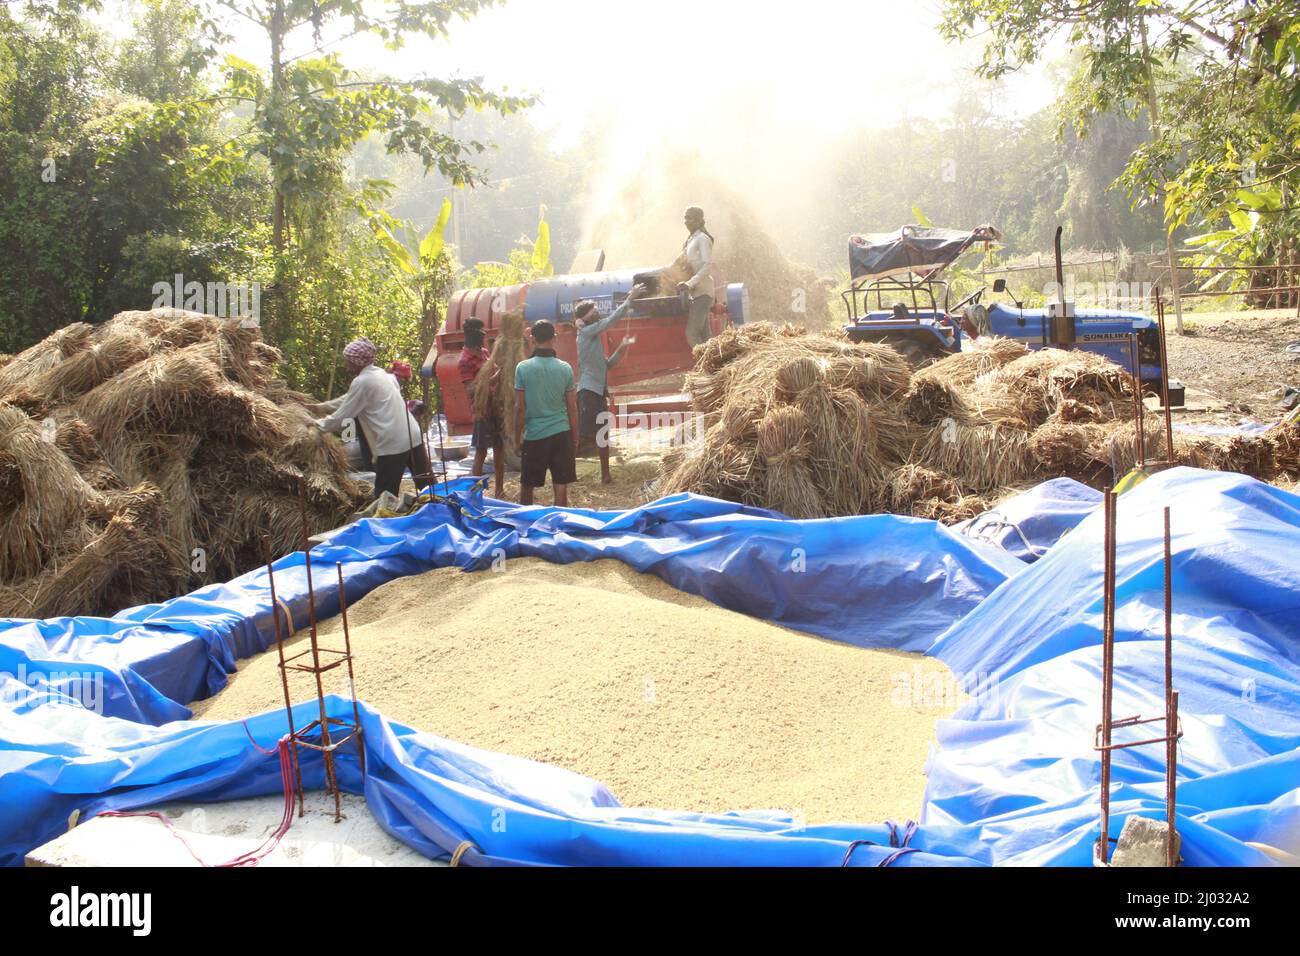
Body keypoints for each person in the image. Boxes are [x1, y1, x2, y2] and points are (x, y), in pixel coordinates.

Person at [316, 337, 431, 500]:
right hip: (412, 435)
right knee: (428, 486)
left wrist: (317, 425)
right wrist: (323, 407)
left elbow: (343, 414)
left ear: (357, 362)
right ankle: (441, 513)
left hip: (393, 443)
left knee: (385, 497)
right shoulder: (382, 374)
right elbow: (349, 398)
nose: (346, 364)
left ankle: (387, 523)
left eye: (347, 360)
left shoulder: (362, 382)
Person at [574, 283, 648, 482]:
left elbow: (606, 366)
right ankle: (568, 472)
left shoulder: (592, 336)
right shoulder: (586, 333)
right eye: (595, 312)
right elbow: (608, 322)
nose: (598, 314)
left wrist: (621, 349)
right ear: (586, 317)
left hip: (598, 392)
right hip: (588, 392)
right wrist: (629, 300)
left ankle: (606, 475)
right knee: (584, 437)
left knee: (602, 436)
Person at [513, 319, 577, 507]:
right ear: (554, 338)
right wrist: (575, 436)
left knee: (527, 486)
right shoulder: (565, 368)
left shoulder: (523, 368)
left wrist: (517, 439)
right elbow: (572, 407)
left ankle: (525, 526)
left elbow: (519, 408)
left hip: (535, 436)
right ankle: (561, 528)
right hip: (561, 434)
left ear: (532, 339)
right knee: (561, 486)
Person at [458, 317, 505, 498]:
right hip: (481, 411)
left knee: (500, 448)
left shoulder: (485, 353)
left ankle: (499, 491)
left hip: (496, 407)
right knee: (481, 451)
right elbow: (471, 388)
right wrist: (494, 378)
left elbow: (494, 372)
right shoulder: (464, 361)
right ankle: (475, 493)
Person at [672, 205, 715, 348]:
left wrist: (689, 284)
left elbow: (707, 266)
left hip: (703, 292)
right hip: (695, 294)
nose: (685, 221)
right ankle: (714, 367)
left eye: (689, 218)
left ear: (698, 220)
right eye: (684, 217)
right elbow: (679, 262)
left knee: (691, 333)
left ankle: (705, 364)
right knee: (706, 335)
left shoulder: (702, 239)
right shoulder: (690, 240)